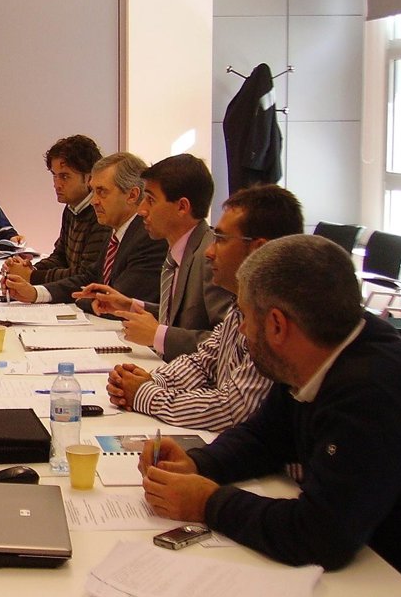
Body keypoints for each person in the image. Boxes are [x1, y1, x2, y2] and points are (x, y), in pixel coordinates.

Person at [140, 234, 401, 597]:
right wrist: (199, 463)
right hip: (366, 556)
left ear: (277, 324)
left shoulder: (371, 393)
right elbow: (265, 437)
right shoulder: (321, 353)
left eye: (244, 316)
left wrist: (207, 501)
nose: (240, 330)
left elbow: (321, 535)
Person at [107, 185, 304, 431]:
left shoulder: (274, 319)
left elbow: (232, 410)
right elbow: (203, 362)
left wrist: (144, 394)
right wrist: (151, 380)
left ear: (258, 249)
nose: (209, 252)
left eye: (221, 240)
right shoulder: (241, 305)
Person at [78, 153, 232, 361]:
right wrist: (131, 305)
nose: (142, 210)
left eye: (150, 200)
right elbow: (180, 317)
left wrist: (159, 336)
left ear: (182, 207)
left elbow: (230, 345)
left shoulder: (211, 259)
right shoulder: (180, 250)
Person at [4, 152, 164, 306]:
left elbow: (118, 302)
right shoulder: (117, 230)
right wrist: (35, 293)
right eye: (93, 191)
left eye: (102, 192)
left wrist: (34, 277)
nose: (94, 201)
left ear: (132, 195)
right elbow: (88, 278)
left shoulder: (148, 238)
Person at [3, 135, 109, 293]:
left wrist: (32, 276)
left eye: (65, 176)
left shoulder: (101, 215)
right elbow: (60, 257)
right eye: (54, 175)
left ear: (89, 178)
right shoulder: (71, 208)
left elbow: (86, 276)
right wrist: (28, 268)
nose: (57, 184)